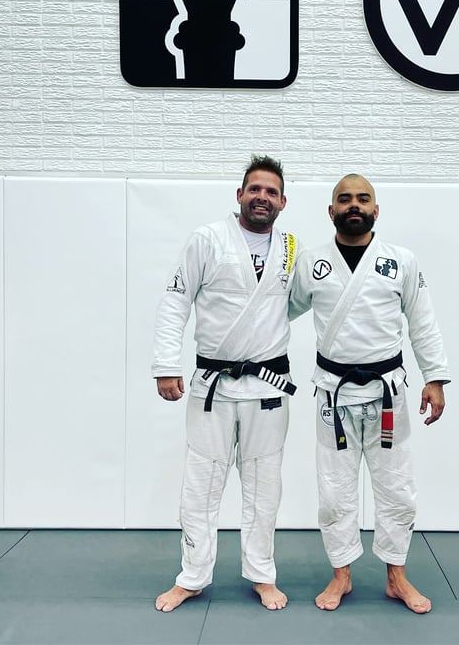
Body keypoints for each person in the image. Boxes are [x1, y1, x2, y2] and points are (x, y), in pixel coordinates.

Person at [289, 174, 450, 615]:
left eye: (363, 199)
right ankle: (341, 574)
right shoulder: (312, 262)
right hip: (333, 396)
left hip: (387, 394)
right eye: (344, 199)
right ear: (331, 211)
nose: (353, 206)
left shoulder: (401, 261)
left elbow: (423, 321)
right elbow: (278, 311)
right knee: (334, 492)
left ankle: (396, 577)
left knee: (397, 488)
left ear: (376, 210)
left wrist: (434, 377)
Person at [152, 155, 299, 612]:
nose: (262, 197)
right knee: (201, 483)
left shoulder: (291, 247)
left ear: (283, 202)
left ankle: (262, 574)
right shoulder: (208, 239)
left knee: (264, 485)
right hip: (213, 383)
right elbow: (176, 300)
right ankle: (192, 576)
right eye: (255, 189)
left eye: (271, 192)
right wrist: (166, 364)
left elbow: (289, 305)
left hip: (268, 386)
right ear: (239, 195)